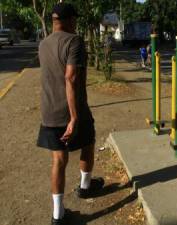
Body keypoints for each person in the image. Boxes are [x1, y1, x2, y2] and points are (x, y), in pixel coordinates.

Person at [37, 3, 104, 224]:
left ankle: (58, 215)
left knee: (58, 159)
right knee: (88, 143)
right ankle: (85, 187)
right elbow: (71, 77)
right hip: (75, 111)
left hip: (49, 111)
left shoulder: (43, 44)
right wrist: (74, 117)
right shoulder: (74, 41)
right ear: (67, 20)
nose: (76, 23)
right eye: (74, 19)